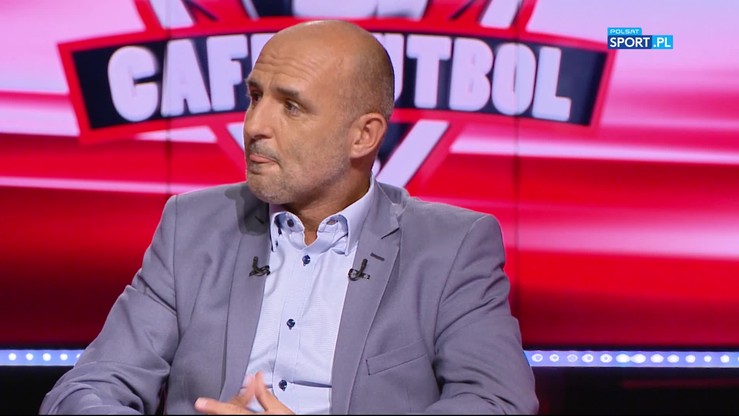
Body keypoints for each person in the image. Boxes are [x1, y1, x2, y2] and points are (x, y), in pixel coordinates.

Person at [40, 20, 538, 414]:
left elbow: (497, 401)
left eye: (292, 107)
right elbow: (87, 389)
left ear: (363, 136)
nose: (254, 125)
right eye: (256, 96)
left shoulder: (451, 246)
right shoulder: (190, 226)